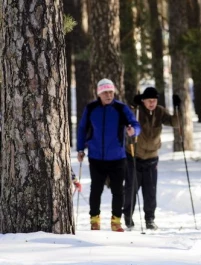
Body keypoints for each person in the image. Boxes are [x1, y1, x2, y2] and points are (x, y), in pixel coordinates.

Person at [76, 79, 141, 232]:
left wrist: (133, 131)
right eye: (105, 92)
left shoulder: (121, 108)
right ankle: (94, 220)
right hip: (96, 156)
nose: (109, 95)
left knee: (118, 190)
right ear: (99, 93)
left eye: (111, 92)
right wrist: (80, 149)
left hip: (117, 157)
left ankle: (116, 221)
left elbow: (135, 124)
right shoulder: (91, 108)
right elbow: (82, 129)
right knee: (96, 189)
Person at [123, 87, 179, 230]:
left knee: (150, 191)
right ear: (143, 101)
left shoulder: (160, 111)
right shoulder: (137, 111)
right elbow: (126, 119)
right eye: (149, 101)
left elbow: (175, 122)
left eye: (154, 101)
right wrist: (133, 106)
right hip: (134, 156)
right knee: (131, 189)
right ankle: (128, 217)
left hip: (152, 157)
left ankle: (150, 219)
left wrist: (178, 108)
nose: (152, 103)